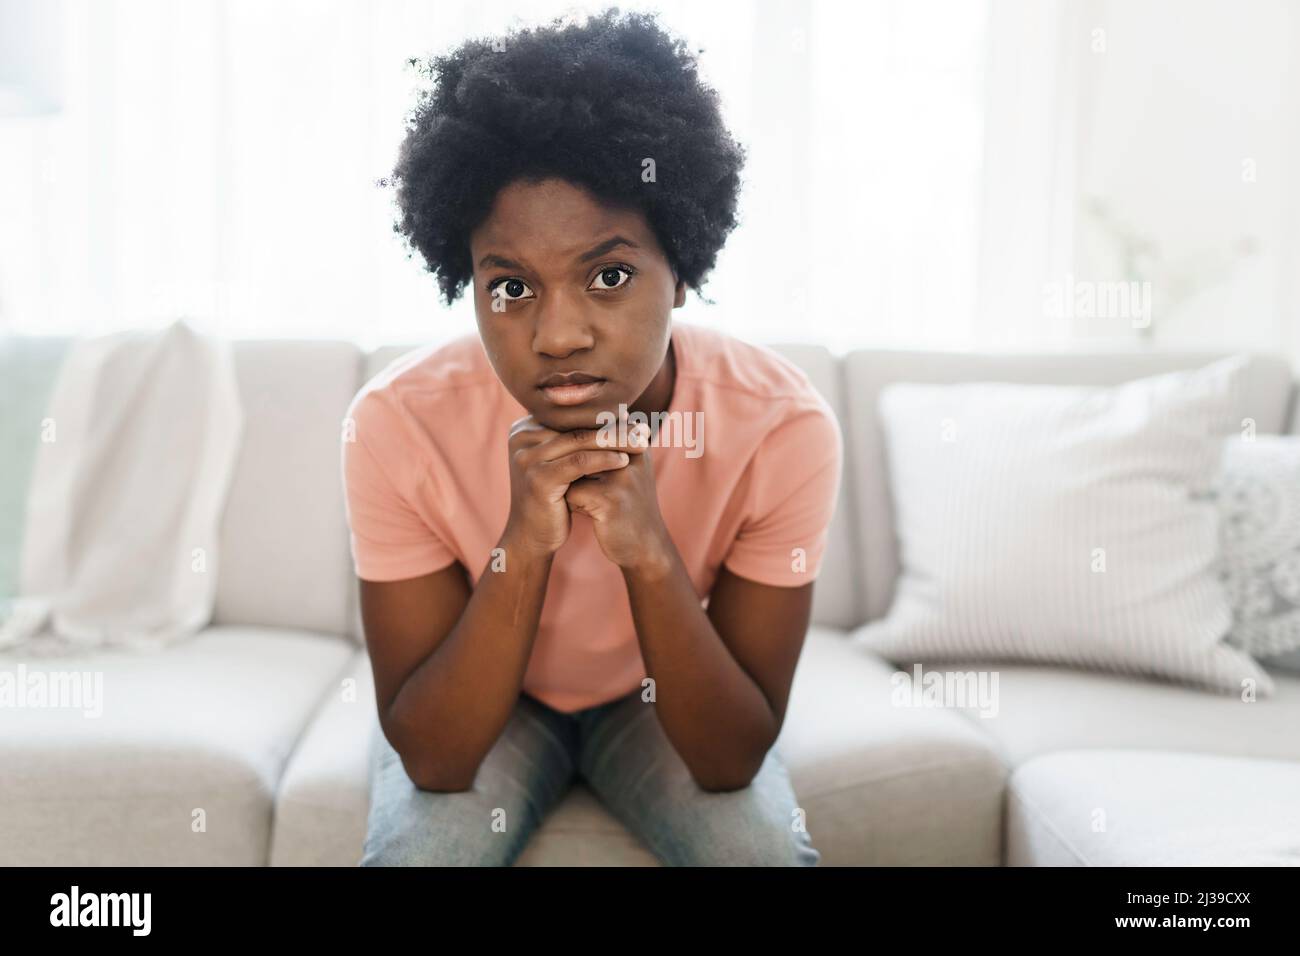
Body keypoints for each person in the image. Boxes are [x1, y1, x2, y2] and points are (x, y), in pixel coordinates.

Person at [343, 6, 841, 866]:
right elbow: (435, 754)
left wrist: (649, 554)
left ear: (680, 268)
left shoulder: (781, 428)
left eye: (609, 276)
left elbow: (730, 760)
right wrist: (522, 547)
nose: (558, 335)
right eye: (511, 287)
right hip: (491, 698)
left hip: (656, 701)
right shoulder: (395, 423)